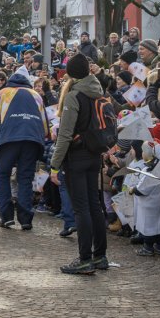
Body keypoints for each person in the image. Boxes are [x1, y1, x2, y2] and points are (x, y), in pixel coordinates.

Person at [50, 53, 111, 275]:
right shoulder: (97, 91)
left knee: (82, 208)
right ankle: (100, 255)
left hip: (77, 157)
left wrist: (54, 165)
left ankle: (85, 258)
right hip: (95, 154)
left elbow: (65, 135)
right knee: (94, 205)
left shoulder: (75, 95)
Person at [0, 66, 49, 230]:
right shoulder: (36, 95)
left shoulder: (3, 93)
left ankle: (6, 217)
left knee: (3, 175)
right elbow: (45, 125)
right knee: (25, 178)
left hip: (9, 139)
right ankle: (26, 219)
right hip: (32, 140)